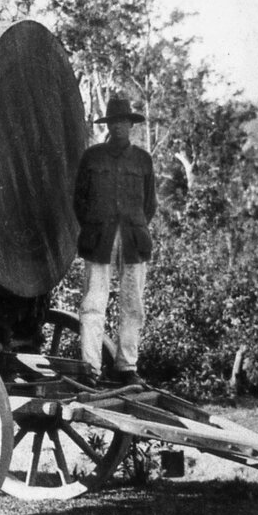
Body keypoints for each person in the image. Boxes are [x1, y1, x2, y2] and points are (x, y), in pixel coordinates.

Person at [73, 98, 157, 388]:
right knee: (94, 304)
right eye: (114, 122)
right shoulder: (92, 157)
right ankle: (90, 368)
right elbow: (79, 202)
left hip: (134, 240)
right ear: (108, 125)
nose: (119, 126)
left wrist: (132, 226)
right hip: (100, 240)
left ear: (131, 125)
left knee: (133, 305)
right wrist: (97, 226)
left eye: (124, 122)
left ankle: (126, 367)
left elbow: (149, 205)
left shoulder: (143, 160)